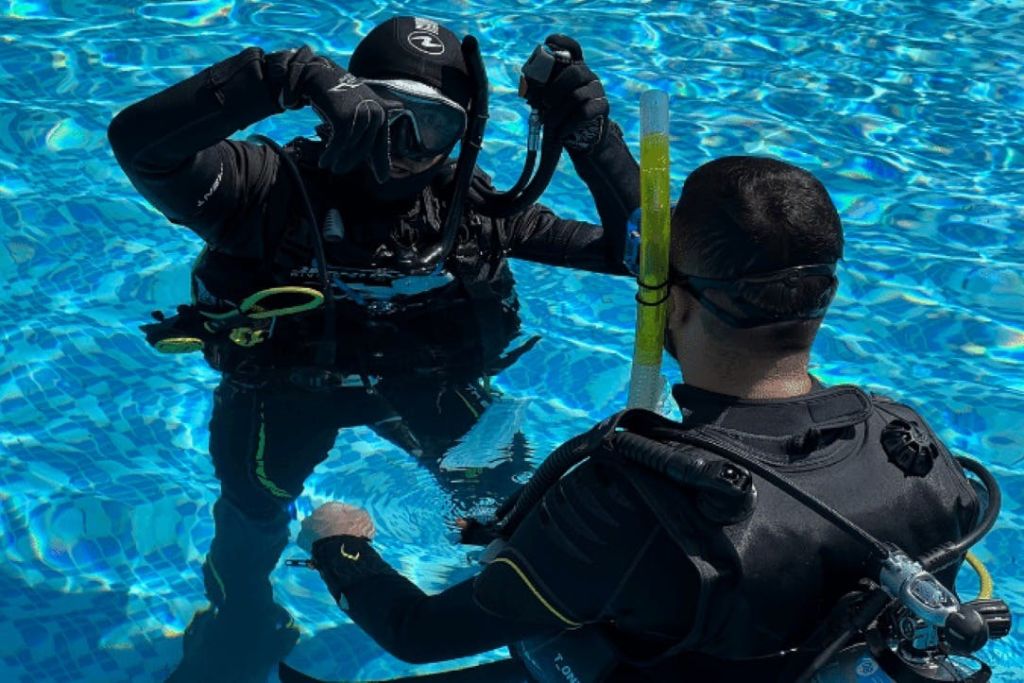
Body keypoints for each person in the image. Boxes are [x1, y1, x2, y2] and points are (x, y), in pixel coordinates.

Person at [291, 156, 1001, 682]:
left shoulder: (629, 498)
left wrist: (339, 546)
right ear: (825, 295)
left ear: (677, 303)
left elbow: (419, 633)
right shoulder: (913, 450)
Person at [107, 15, 640, 683]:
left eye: (431, 127)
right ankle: (240, 615)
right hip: (286, 389)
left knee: (513, 505)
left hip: (429, 383)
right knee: (253, 513)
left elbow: (643, 253)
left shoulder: (472, 212)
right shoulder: (264, 191)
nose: (401, 149)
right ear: (340, 105)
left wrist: (594, 142)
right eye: (384, 116)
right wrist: (282, 78)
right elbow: (139, 145)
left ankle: (534, 627)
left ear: (462, 136)